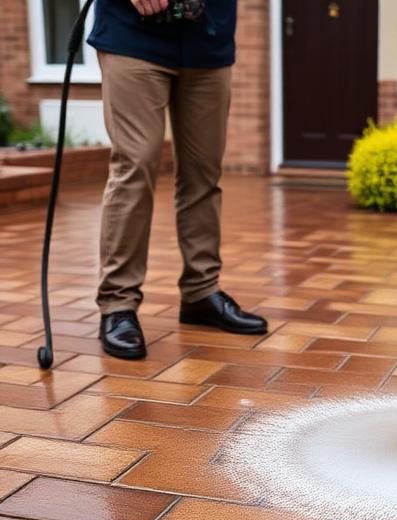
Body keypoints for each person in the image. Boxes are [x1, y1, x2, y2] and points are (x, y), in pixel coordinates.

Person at [87, 0, 266, 360]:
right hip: (132, 35)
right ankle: (118, 302)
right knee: (135, 167)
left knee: (204, 172)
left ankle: (201, 292)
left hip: (208, 38)